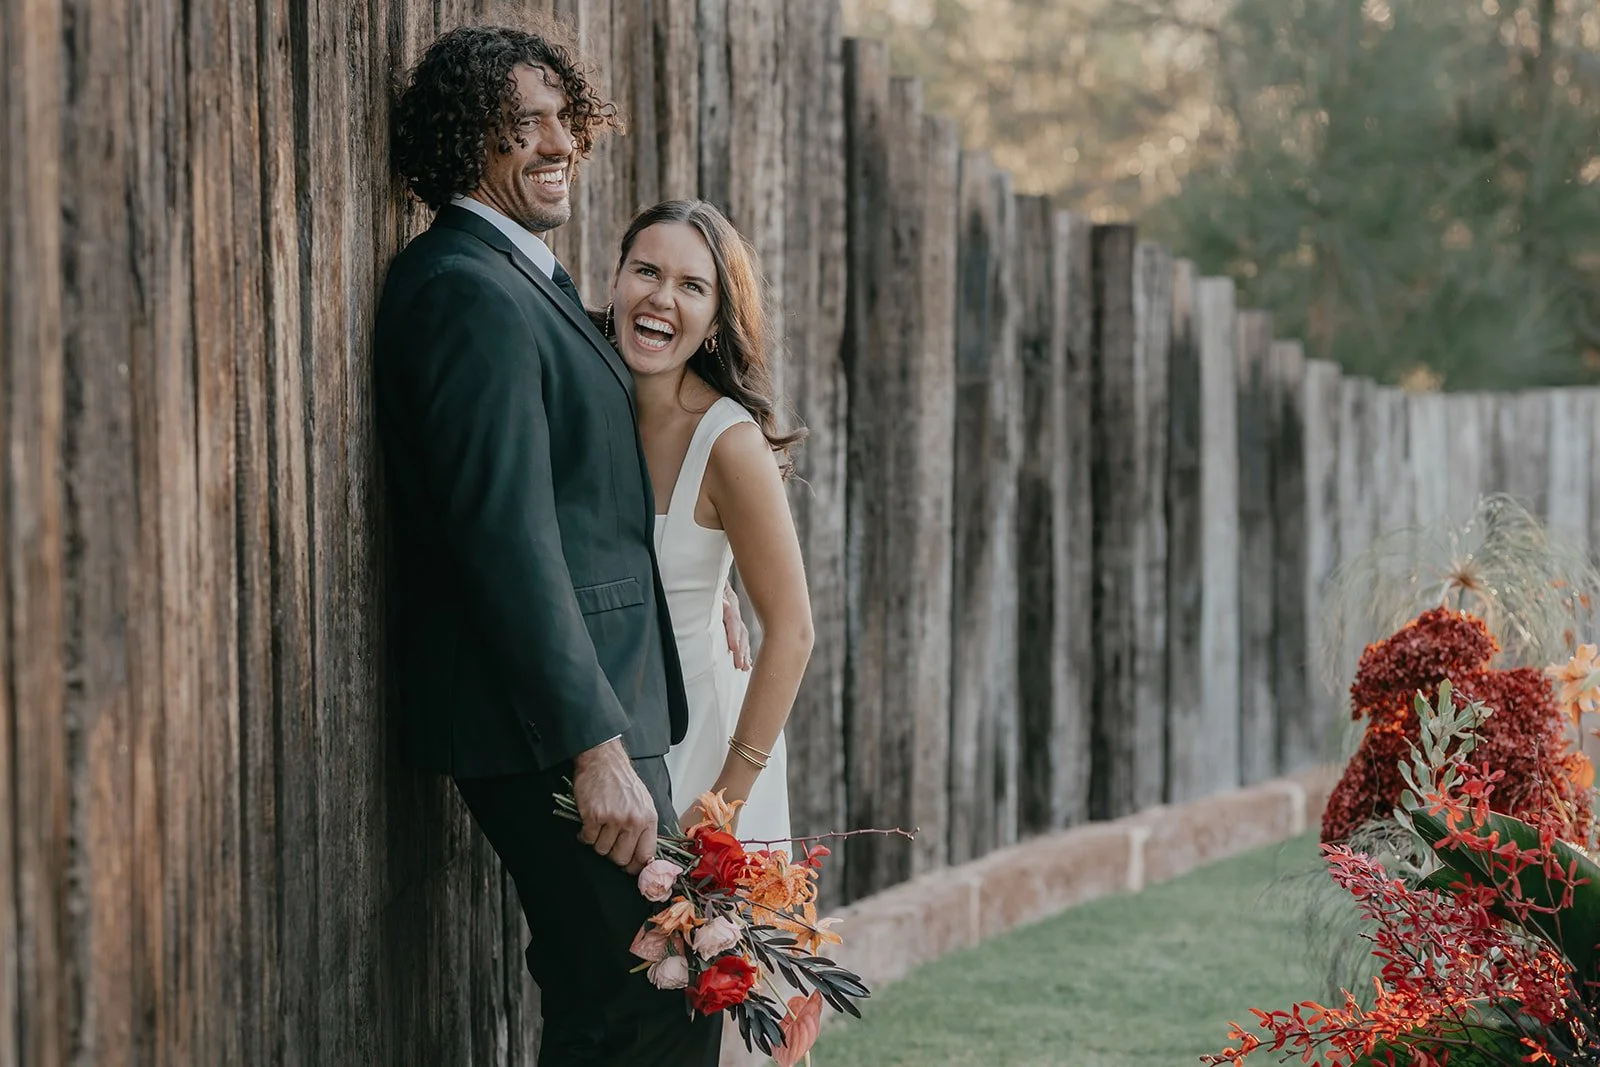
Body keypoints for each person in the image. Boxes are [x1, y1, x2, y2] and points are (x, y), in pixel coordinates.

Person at [374, 25, 723, 1066]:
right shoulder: (464, 289)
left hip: (590, 711)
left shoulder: (525, 278)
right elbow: (505, 532)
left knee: (620, 993)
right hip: (558, 734)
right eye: (519, 124)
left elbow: (579, 495)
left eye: (562, 116)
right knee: (653, 997)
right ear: (463, 143)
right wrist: (594, 746)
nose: (555, 140)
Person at [596, 201, 814, 849]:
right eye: (647, 271)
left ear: (716, 320)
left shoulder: (728, 441)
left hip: (702, 755)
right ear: (617, 281)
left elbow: (794, 630)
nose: (662, 297)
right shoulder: (581, 394)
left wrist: (725, 798)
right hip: (604, 750)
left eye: (692, 286)